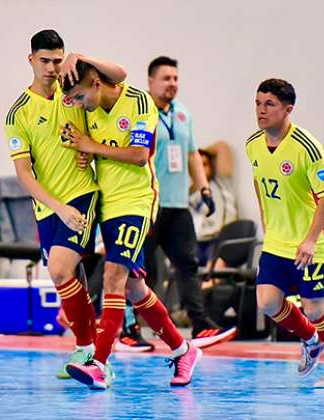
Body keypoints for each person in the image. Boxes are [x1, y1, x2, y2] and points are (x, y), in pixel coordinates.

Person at [60, 60, 202, 389]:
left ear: (96, 83)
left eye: (81, 97)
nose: (80, 105)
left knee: (113, 278)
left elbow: (139, 154)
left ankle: (99, 363)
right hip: (106, 203)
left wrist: (90, 146)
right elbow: (96, 150)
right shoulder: (90, 110)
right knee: (133, 288)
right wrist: (87, 156)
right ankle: (183, 350)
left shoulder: (138, 100)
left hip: (136, 200)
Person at [5, 29, 128, 379]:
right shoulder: (18, 114)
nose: (51, 68)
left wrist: (82, 57)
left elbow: (119, 76)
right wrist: (57, 207)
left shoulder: (73, 88)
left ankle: (92, 351)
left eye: (57, 60)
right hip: (48, 206)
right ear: (31, 60)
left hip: (82, 194)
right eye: (44, 61)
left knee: (60, 269)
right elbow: (24, 175)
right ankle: (88, 349)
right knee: (69, 277)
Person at [246, 78, 324, 387]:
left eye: (269, 104)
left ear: (288, 109)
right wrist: (268, 223)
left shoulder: (308, 147)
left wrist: (309, 239)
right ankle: (310, 340)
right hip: (277, 240)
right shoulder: (253, 143)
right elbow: (258, 182)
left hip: (313, 240)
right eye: (257, 103)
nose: (261, 110)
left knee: (314, 307)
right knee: (267, 302)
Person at [130, 56, 237, 349]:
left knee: (187, 265)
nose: (172, 84)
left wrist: (204, 189)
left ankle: (200, 324)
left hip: (177, 206)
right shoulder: (141, 112)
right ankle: (129, 328)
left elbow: (192, 155)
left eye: (176, 78)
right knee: (139, 270)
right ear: (150, 81)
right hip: (147, 204)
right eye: (166, 78)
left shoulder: (183, 114)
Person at [190, 142, 239, 272]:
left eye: (204, 165)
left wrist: (193, 152)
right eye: (197, 166)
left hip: (220, 239)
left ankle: (209, 281)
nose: (201, 169)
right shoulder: (189, 192)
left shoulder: (221, 182)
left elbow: (222, 146)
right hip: (199, 243)